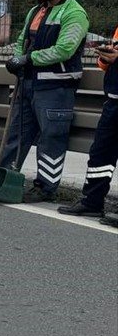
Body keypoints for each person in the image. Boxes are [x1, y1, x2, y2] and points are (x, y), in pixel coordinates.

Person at [0, 0, 90, 203]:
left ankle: (45, 187)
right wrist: (17, 59)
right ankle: (6, 179)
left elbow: (64, 49)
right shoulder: (35, 11)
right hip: (28, 84)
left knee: (52, 138)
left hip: (56, 88)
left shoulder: (74, 13)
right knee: (16, 135)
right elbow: (23, 40)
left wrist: (28, 59)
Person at [57, 26, 118, 226]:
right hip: (113, 101)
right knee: (101, 154)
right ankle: (92, 202)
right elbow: (107, 65)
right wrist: (106, 57)